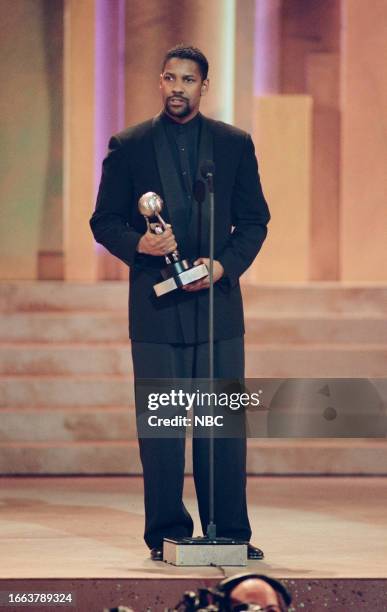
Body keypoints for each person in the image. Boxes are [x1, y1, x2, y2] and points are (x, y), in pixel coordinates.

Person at [90, 44, 270, 561]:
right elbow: (104, 220)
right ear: (160, 82)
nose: (177, 88)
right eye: (169, 78)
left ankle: (231, 531)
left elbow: (255, 220)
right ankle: (166, 533)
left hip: (218, 308)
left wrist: (221, 265)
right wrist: (138, 245)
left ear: (203, 86)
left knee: (223, 429)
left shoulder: (233, 145)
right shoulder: (130, 145)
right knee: (164, 434)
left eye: (188, 80)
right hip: (156, 311)